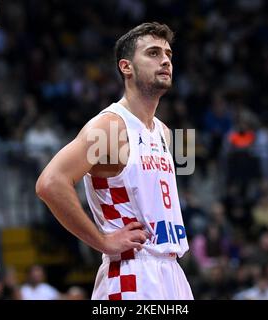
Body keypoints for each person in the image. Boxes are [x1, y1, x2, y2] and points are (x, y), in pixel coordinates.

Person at [36, 22, 193, 300]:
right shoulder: (111, 126)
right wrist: (102, 241)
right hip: (132, 272)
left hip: (171, 271)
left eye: (168, 54)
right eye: (153, 53)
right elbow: (50, 183)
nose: (166, 60)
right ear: (126, 67)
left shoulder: (164, 132)